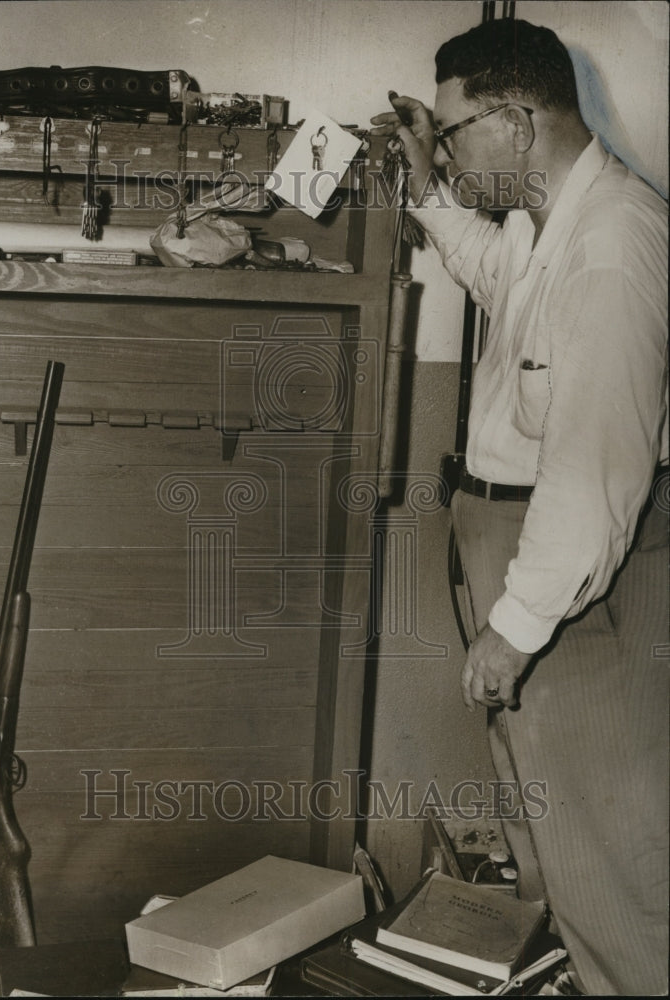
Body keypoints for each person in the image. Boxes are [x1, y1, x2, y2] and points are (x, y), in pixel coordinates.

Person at [371, 17, 668, 996]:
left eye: (453, 135)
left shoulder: (612, 246)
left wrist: (513, 626)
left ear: (514, 119)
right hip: (525, 560)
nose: (449, 156)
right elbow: (500, 276)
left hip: (578, 593)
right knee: (545, 837)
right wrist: (424, 195)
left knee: (608, 866)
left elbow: (591, 476)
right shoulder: (551, 225)